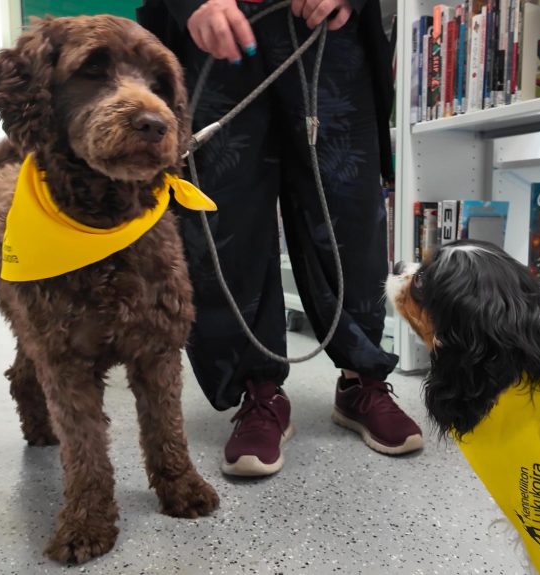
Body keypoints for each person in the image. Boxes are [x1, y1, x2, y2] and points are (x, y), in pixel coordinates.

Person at [137, 0, 423, 477]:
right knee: (222, 217)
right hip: (217, 27)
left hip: (328, 29)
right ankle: (259, 391)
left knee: (348, 211)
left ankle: (361, 381)